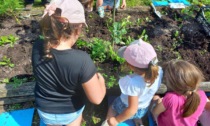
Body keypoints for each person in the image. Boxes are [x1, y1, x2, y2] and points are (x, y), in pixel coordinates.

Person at [31, 0, 106, 125]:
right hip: (70, 113)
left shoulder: (38, 46)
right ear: (78, 29)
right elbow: (97, 99)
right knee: (75, 120)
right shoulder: (82, 60)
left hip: (45, 112)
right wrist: (101, 81)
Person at [102, 39, 163, 126]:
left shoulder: (132, 82)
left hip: (125, 108)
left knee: (113, 106)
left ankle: (107, 123)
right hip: (142, 110)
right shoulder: (159, 71)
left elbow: (132, 109)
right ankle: (137, 120)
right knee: (135, 113)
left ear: (132, 66)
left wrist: (116, 120)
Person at [152, 60, 207, 126]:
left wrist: (156, 101)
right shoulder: (202, 95)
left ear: (172, 84)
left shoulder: (170, 98)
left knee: (154, 97)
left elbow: (155, 113)